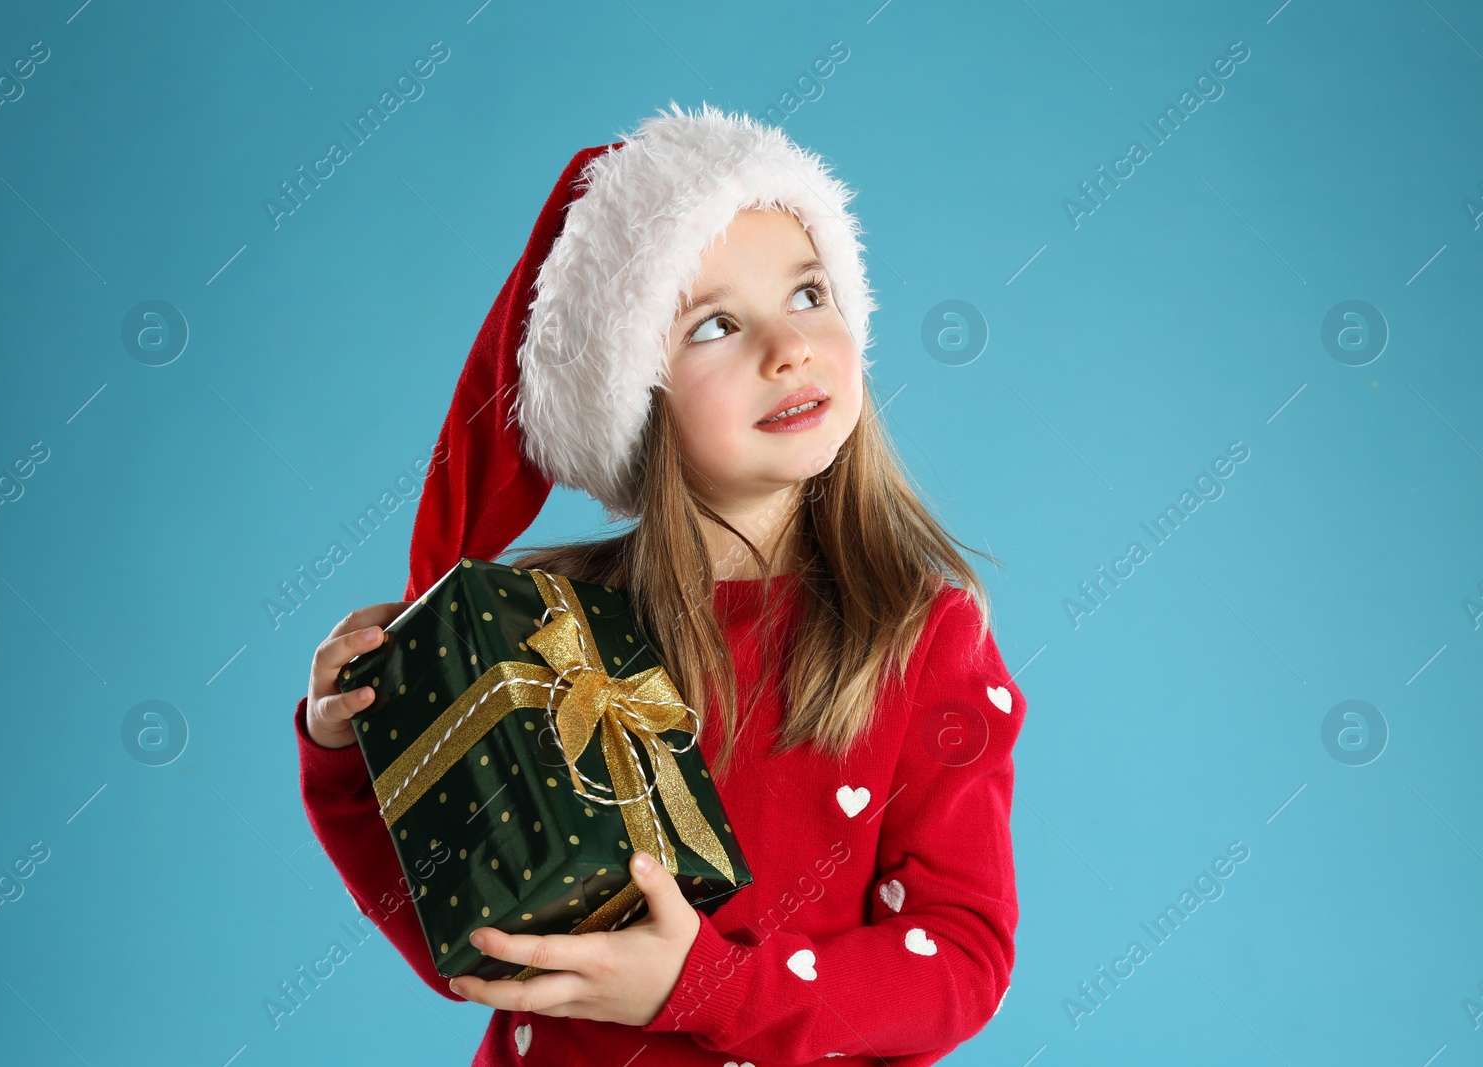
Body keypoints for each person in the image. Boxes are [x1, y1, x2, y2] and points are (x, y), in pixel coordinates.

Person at [294, 102, 1028, 1065]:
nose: (789, 346)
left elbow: (959, 962)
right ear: (632, 394)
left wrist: (706, 986)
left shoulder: (922, 634)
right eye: (716, 323)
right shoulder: (543, 630)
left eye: (809, 293)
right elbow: (463, 936)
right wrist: (353, 745)